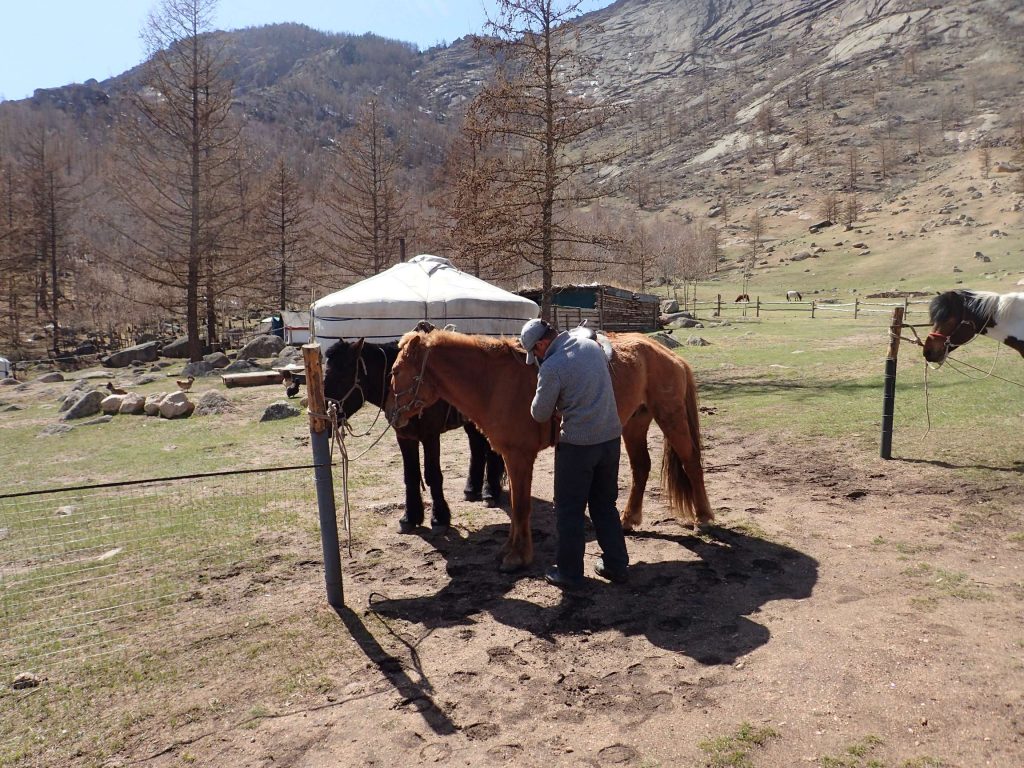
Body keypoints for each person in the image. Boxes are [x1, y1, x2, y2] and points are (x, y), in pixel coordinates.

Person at [520, 318, 629, 588]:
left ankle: (569, 573)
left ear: (543, 343)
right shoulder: (590, 346)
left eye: (534, 352)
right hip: (611, 439)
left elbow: (539, 413)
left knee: (569, 510)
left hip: (578, 446)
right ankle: (616, 565)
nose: (535, 357)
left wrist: (544, 384)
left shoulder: (552, 367)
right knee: (605, 505)